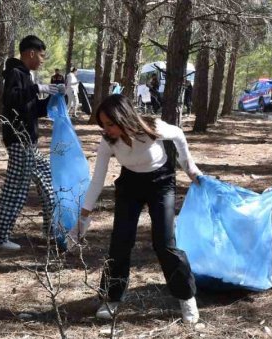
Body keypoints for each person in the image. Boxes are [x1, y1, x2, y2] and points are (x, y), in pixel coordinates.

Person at [71, 93, 203, 323]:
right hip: (130, 185)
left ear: (123, 117)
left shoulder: (153, 128)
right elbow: (97, 179)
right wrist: (84, 216)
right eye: (103, 125)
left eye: (110, 124)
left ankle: (186, 297)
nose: (106, 129)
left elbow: (179, 135)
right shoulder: (109, 141)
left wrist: (190, 168)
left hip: (161, 183)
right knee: (120, 241)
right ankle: (112, 297)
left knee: (164, 243)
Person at [0, 35, 66, 251]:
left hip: (28, 142)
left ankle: (52, 231)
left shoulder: (26, 76)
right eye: (41, 55)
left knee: (48, 182)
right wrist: (38, 88)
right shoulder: (15, 73)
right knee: (15, 191)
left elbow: (31, 109)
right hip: (19, 141)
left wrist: (53, 98)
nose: (43, 60)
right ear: (31, 53)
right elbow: (11, 99)